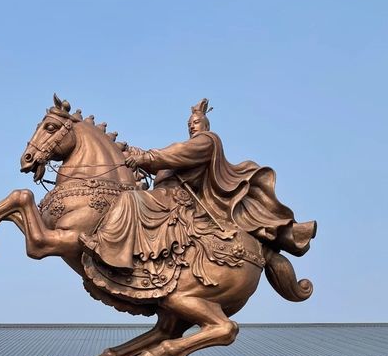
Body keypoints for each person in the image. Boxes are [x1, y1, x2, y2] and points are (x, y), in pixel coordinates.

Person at [80, 99, 316, 301]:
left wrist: (145, 157)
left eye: (195, 123)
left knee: (129, 200)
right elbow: (167, 161)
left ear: (205, 124)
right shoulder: (189, 148)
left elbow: (172, 155)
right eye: (189, 124)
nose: (192, 126)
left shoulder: (207, 141)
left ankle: (108, 249)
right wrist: (130, 151)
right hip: (165, 196)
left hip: (176, 202)